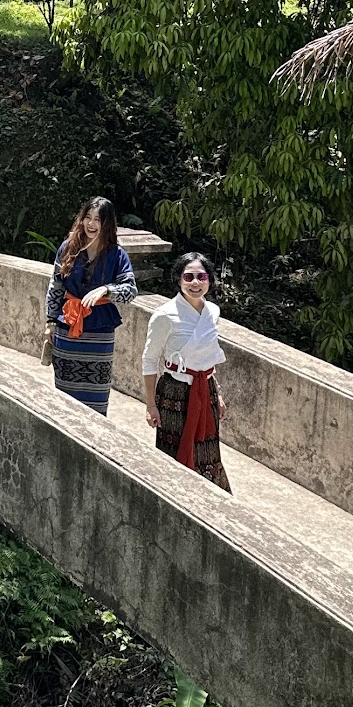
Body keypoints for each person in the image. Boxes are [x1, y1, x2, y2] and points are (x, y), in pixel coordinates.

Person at [142, 250, 230, 489]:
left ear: (209, 280)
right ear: (179, 279)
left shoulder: (213, 312)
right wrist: (151, 405)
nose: (194, 283)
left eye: (201, 277)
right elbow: (150, 361)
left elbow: (208, 355)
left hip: (206, 390)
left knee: (208, 450)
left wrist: (217, 393)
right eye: (188, 277)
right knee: (174, 451)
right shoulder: (164, 315)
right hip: (174, 393)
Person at [42, 195, 137, 417]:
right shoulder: (68, 247)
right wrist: (50, 323)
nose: (91, 224)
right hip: (68, 329)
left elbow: (130, 290)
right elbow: (55, 287)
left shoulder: (117, 254)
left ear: (107, 224)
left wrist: (106, 290)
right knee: (64, 399)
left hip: (100, 333)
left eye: (98, 219)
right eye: (88, 217)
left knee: (97, 396)